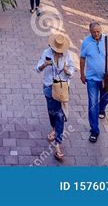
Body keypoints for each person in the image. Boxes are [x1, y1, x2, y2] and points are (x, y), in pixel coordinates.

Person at [36, 32, 74, 162]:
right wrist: (44, 65)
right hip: (48, 87)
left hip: (62, 89)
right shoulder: (46, 53)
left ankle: (58, 145)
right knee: (51, 113)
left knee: (59, 116)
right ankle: (53, 128)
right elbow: (37, 69)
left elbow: (72, 71)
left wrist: (66, 71)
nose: (58, 52)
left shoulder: (67, 55)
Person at [80, 21, 108, 143]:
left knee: (105, 98)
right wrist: (82, 74)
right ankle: (94, 131)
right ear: (90, 32)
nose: (97, 34)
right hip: (91, 79)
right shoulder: (86, 42)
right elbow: (82, 58)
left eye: (98, 32)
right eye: (94, 32)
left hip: (105, 78)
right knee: (92, 104)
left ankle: (102, 109)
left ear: (101, 30)